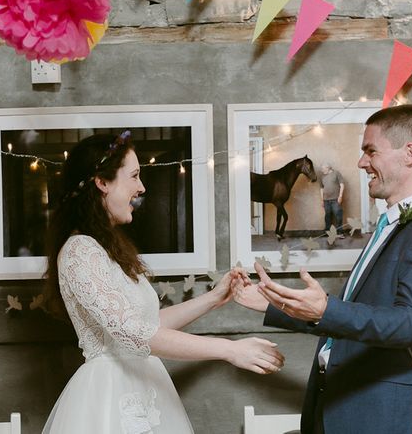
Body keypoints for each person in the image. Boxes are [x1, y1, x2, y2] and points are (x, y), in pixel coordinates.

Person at [234, 104, 412, 434]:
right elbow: (349, 320)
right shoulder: (391, 225)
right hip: (335, 410)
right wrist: (271, 304)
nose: (361, 162)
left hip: (376, 419)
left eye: (371, 151)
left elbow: (408, 324)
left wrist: (326, 308)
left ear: (409, 153)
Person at [43, 131, 284, 433]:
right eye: (133, 176)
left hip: (143, 388)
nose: (141, 187)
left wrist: (213, 298)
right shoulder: (80, 251)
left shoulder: (106, 249)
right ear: (102, 183)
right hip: (111, 398)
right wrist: (230, 349)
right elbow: (134, 333)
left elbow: (148, 323)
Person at [319, 163, 344, 233]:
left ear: (328, 168)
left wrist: (340, 196)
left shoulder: (336, 173)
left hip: (336, 199)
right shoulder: (322, 177)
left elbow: (342, 185)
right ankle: (327, 231)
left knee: (338, 215)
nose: (322, 171)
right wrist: (322, 200)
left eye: (323, 169)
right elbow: (321, 188)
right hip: (326, 200)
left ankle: (340, 232)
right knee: (327, 216)